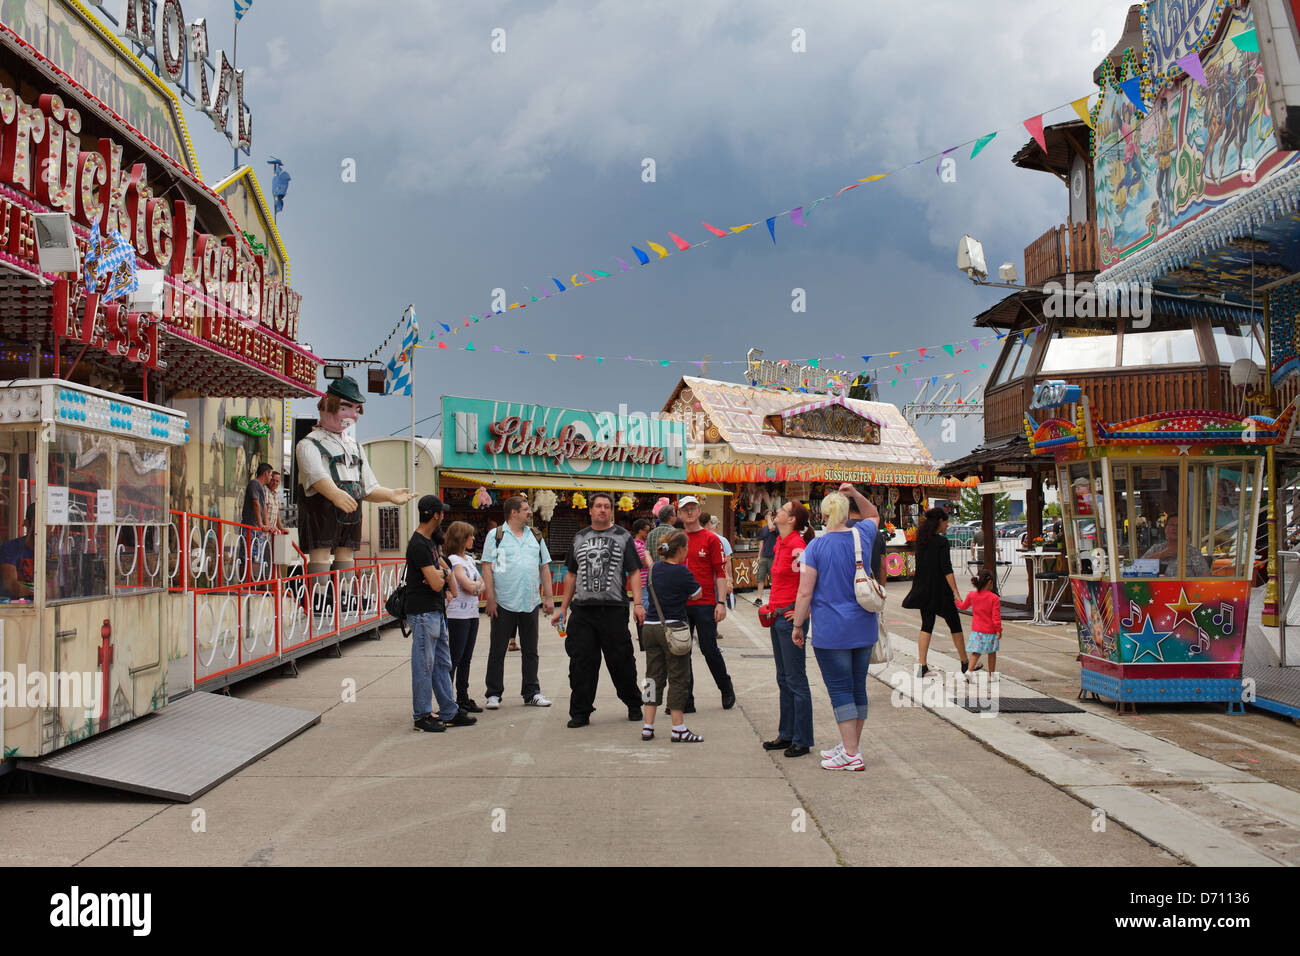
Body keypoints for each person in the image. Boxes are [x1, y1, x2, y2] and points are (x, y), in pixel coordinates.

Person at [791, 491, 881, 771]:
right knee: (857, 688)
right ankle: (849, 745)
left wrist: (797, 625)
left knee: (840, 690)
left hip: (832, 631)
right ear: (847, 512)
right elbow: (874, 514)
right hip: (864, 626)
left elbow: (805, 593)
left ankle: (852, 754)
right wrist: (854, 492)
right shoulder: (862, 535)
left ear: (824, 515)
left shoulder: (815, 548)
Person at [551, 491, 646, 727]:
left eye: (607, 506)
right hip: (582, 611)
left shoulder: (623, 537)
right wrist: (562, 607)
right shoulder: (579, 538)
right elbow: (571, 574)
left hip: (613, 609)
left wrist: (638, 603)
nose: (603, 510)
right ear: (590, 510)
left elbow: (634, 571)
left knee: (621, 660)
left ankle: (634, 703)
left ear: (611, 511)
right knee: (581, 663)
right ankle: (580, 712)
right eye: (599, 506)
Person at [408, 495, 476, 733]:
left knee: (442, 663)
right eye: (442, 512)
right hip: (424, 613)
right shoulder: (418, 544)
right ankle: (422, 715)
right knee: (424, 665)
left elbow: (443, 578)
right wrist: (443, 575)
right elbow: (438, 583)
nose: (444, 516)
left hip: (435, 612)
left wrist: (441, 574)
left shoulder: (429, 543)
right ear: (435, 515)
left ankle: (448, 711)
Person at [480, 495, 555, 709]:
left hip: (530, 601)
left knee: (531, 650)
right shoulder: (496, 536)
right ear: (513, 513)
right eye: (525, 509)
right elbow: (486, 566)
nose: (529, 513)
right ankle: (493, 693)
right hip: (504, 601)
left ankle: (532, 692)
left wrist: (549, 598)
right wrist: (491, 599)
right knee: (497, 650)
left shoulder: (535, 536)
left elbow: (544, 567)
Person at [762, 500, 816, 757]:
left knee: (795, 679)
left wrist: (801, 612)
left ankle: (802, 738)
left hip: (789, 618)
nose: (777, 512)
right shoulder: (781, 542)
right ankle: (787, 734)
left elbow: (810, 582)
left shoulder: (797, 546)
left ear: (792, 519)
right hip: (777, 616)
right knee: (784, 678)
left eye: (782, 510)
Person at [640, 530, 704, 743]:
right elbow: (697, 593)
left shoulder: (654, 568)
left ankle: (648, 725)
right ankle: (678, 728)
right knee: (678, 678)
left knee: (652, 677)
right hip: (674, 629)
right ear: (682, 550)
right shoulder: (683, 572)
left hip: (649, 628)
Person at [677, 496, 735, 710]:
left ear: (699, 511)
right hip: (680, 604)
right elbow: (663, 566)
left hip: (706, 603)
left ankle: (726, 688)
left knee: (709, 649)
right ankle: (686, 699)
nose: (689, 512)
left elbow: (720, 573)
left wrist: (721, 602)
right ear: (680, 513)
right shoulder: (675, 538)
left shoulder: (711, 539)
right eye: (685, 509)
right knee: (682, 651)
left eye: (693, 508)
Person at [902, 507, 968, 678]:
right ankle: (965, 663)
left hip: (923, 589)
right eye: (946, 522)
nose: (947, 526)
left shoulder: (921, 540)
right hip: (940, 591)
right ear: (940, 521)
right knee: (955, 624)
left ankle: (922, 665)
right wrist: (956, 591)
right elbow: (947, 569)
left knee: (927, 625)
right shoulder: (941, 542)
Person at [445, 521, 486, 713]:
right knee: (455, 657)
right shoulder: (454, 560)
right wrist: (476, 585)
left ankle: (463, 696)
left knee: (466, 658)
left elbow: (480, 584)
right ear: (461, 538)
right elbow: (469, 586)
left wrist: (476, 585)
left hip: (471, 613)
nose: (473, 539)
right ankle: (448, 698)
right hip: (457, 615)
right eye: (470, 536)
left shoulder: (468, 560)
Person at [957, 569, 1002, 675]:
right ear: (990, 582)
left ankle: (969, 670)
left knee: (976, 652)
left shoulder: (972, 595)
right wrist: (998, 629)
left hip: (977, 631)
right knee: (991, 653)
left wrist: (957, 601)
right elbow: (996, 617)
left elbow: (963, 606)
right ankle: (991, 675)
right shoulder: (994, 598)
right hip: (990, 631)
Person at [0, 502, 36, 600]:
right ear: (26, 523)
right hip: (14, 607)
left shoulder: (50, 550)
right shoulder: (10, 548)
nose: (48, 529)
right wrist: (37, 596)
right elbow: (10, 583)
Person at [706, 514, 736, 609]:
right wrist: (730, 578)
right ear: (717, 526)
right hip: (719, 576)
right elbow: (727, 561)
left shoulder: (703, 538)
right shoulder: (723, 540)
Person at [632, 518, 653, 645]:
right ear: (640, 531)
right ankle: (643, 634)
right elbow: (646, 563)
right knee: (645, 607)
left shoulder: (638, 544)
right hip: (643, 580)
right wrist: (649, 556)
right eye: (646, 531)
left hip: (643, 580)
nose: (648, 534)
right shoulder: (638, 545)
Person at [755, 511, 778, 603]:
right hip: (764, 556)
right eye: (767, 515)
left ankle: (773, 598)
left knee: (773, 579)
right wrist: (759, 555)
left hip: (774, 556)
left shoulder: (777, 527)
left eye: (770, 515)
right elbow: (761, 542)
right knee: (760, 577)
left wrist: (769, 519)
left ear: (773, 517)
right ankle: (759, 598)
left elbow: (771, 527)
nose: (768, 516)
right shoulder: (764, 528)